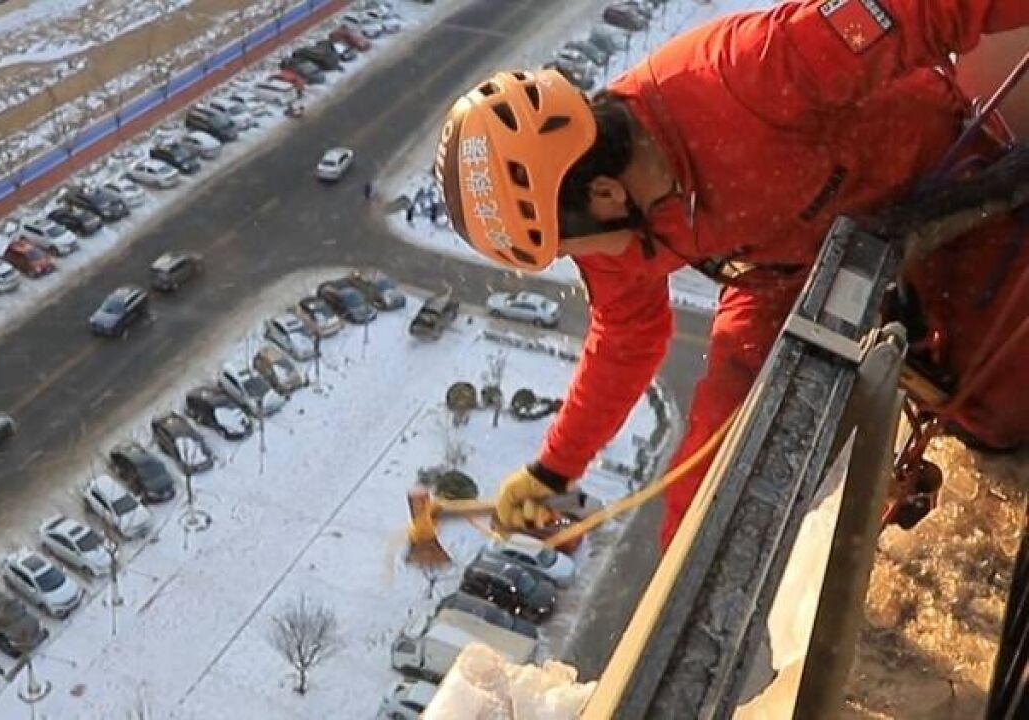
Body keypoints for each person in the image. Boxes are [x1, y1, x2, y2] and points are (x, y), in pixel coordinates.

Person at [433, 0, 1029, 549]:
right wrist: (554, 468)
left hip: (933, 182)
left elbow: (930, 10)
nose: (580, 259)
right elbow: (626, 337)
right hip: (782, 266)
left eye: (567, 246)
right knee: (702, 488)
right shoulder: (602, 217)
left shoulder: (748, 75)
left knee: (998, 403)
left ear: (607, 192)